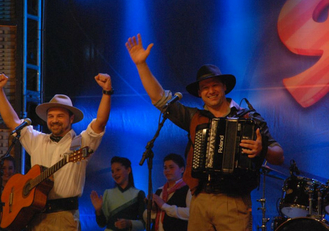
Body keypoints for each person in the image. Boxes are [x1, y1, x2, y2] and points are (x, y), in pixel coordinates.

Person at [125, 34, 284, 231]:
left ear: (224, 87)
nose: (210, 91)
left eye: (215, 85)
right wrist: (141, 65)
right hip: (199, 200)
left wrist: (263, 148)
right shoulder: (194, 117)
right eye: (204, 88)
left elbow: (279, 155)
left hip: (234, 203)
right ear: (199, 93)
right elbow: (160, 99)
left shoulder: (248, 118)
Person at [0, 72, 112, 231]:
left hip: (64, 217)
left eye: (60, 116)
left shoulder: (81, 143)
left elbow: (101, 122)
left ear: (71, 119)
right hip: (34, 217)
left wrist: (107, 92)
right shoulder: (37, 140)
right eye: (51, 116)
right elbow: (12, 122)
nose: (55, 120)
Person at [90, 156, 146, 231]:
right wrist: (98, 211)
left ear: (128, 170)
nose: (115, 174)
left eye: (118, 170)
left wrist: (129, 223)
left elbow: (144, 224)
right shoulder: (108, 193)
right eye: (112, 171)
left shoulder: (138, 194)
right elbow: (102, 224)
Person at [144, 153, 191, 231]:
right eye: (165, 168)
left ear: (182, 169)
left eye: (171, 167)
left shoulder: (188, 189)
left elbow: (190, 214)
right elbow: (150, 217)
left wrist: (163, 205)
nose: (167, 170)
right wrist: (152, 209)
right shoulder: (160, 190)